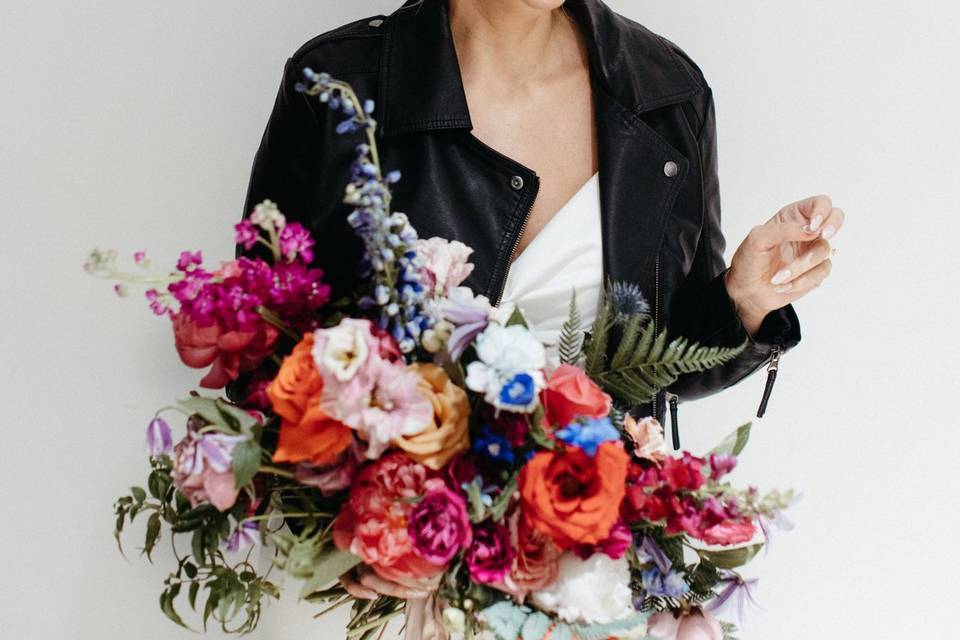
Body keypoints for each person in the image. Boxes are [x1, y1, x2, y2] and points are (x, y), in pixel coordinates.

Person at [240, 0, 842, 443]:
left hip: (592, 564)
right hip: (376, 569)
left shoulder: (666, 92)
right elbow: (259, 348)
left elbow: (665, 365)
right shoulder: (340, 84)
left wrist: (742, 299)